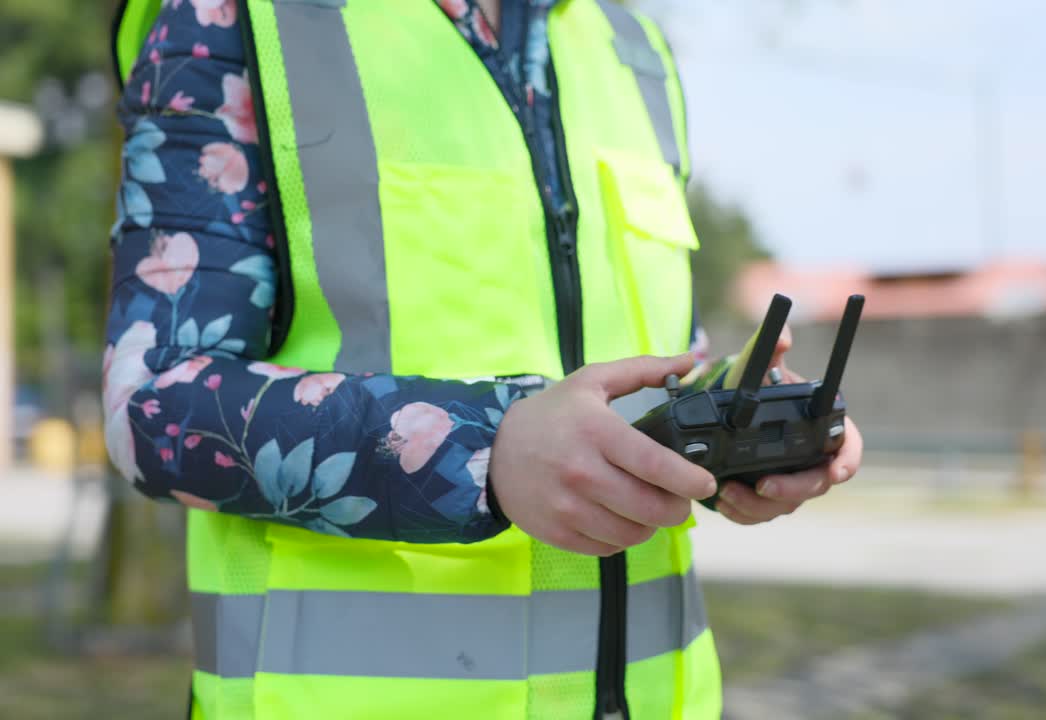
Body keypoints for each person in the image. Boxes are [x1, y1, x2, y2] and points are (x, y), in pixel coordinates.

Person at [103, 0, 863, 717]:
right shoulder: (239, 17)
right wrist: (483, 451)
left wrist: (729, 419)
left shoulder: (633, 49)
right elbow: (153, 401)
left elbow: (637, 372)